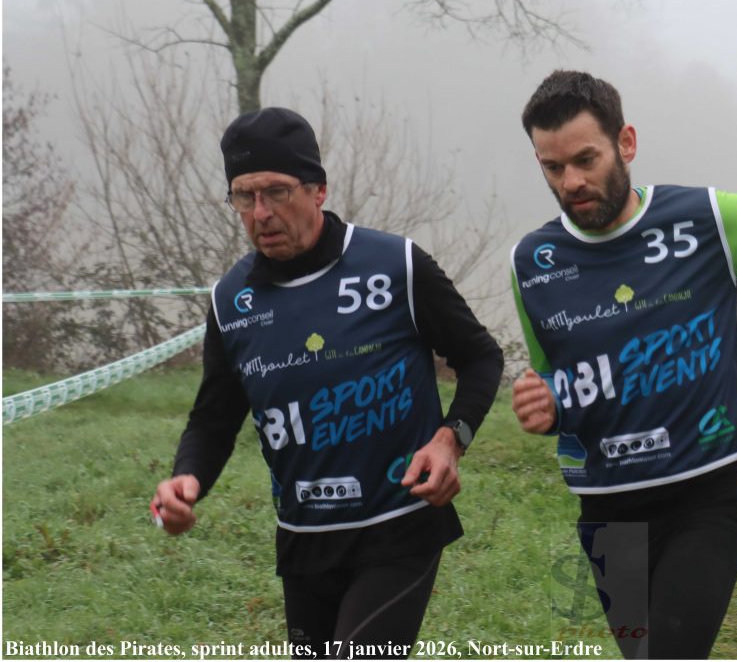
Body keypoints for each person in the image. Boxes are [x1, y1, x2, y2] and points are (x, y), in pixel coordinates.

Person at [151, 107, 502, 660]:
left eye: (277, 192)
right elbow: (215, 417)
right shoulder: (230, 301)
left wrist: (450, 438)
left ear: (318, 190)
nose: (261, 213)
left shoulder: (396, 265)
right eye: (244, 196)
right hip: (304, 539)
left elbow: (480, 357)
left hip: (398, 526)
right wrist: (185, 479)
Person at [509, 71, 737, 659]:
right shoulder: (532, 261)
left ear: (626, 143)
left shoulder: (711, 216)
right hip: (606, 510)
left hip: (704, 499)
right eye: (552, 167)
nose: (571, 182)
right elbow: (557, 381)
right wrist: (546, 405)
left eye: (586, 159)